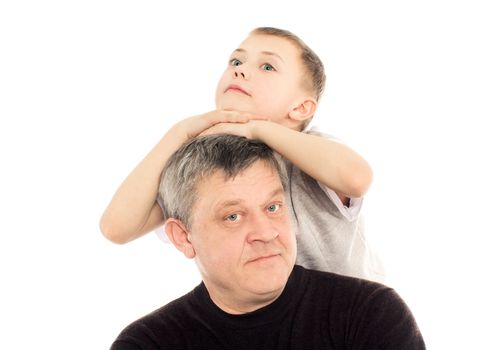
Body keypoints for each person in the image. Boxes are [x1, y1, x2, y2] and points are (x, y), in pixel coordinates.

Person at [100, 27, 384, 281]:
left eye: (267, 67)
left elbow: (357, 178)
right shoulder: (207, 168)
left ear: (300, 108)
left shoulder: (314, 152)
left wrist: (257, 128)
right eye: (236, 61)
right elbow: (117, 228)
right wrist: (179, 132)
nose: (240, 70)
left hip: (354, 321)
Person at [110, 135, 425, 349]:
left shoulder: (370, 313)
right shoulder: (147, 343)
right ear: (183, 237)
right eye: (233, 216)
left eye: (273, 207)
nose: (266, 231)